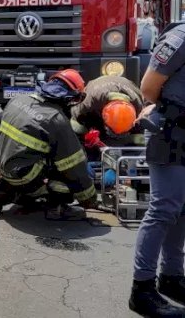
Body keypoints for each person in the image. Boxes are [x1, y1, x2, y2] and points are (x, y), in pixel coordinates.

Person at [0, 69, 97, 218]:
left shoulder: (19, 99)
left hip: (3, 166)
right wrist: (89, 199)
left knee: (38, 153)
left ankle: (6, 191)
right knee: (69, 172)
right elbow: (74, 167)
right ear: (67, 98)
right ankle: (56, 205)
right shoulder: (55, 119)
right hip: (25, 175)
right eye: (74, 100)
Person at [129, 22, 185, 317]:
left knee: (181, 208)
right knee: (163, 208)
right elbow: (149, 88)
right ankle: (142, 289)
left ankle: (172, 278)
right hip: (169, 131)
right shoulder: (181, 38)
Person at [71, 75, 146, 155]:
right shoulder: (87, 103)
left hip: (125, 83)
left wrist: (134, 151)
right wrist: (85, 137)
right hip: (98, 84)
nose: (117, 136)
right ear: (103, 116)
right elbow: (75, 122)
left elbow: (139, 133)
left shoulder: (139, 107)